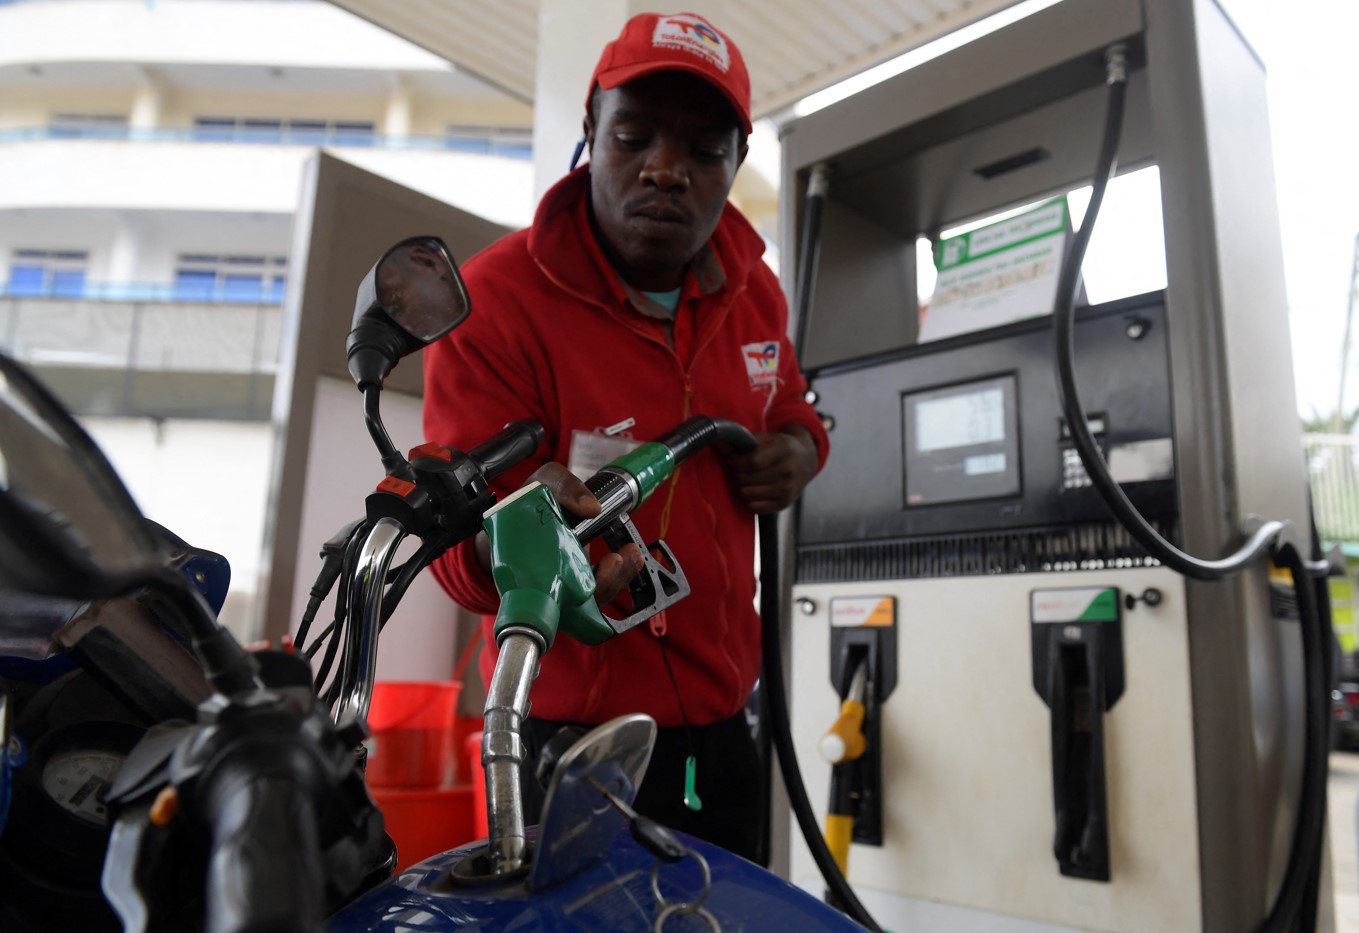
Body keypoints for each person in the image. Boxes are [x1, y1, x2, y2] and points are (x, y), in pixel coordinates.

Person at [422, 10, 829, 863]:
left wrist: (798, 449)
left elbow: (788, 405)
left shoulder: (755, 294)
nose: (665, 172)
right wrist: (528, 536)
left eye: (702, 152)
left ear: (736, 164)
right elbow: (457, 550)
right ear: (590, 133)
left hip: (723, 724)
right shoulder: (494, 303)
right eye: (634, 137)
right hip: (575, 738)